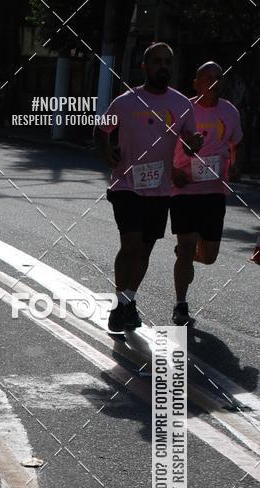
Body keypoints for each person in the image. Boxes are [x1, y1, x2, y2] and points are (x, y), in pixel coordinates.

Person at [94, 42, 203, 333]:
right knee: (130, 243)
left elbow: (189, 142)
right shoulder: (126, 101)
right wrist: (107, 152)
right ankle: (120, 305)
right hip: (126, 185)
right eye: (157, 61)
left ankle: (127, 301)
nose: (163, 67)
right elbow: (101, 130)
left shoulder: (182, 104)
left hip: (159, 189)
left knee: (144, 249)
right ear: (144, 66)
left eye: (167, 62)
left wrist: (193, 145)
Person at [169, 61, 243, 325]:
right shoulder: (182, 110)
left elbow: (236, 143)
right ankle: (181, 304)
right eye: (207, 78)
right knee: (188, 245)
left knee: (209, 257)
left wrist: (235, 165)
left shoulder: (230, 111)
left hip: (214, 191)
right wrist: (172, 171)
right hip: (184, 189)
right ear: (196, 83)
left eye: (218, 77)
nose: (214, 82)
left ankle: (186, 254)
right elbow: (161, 145)